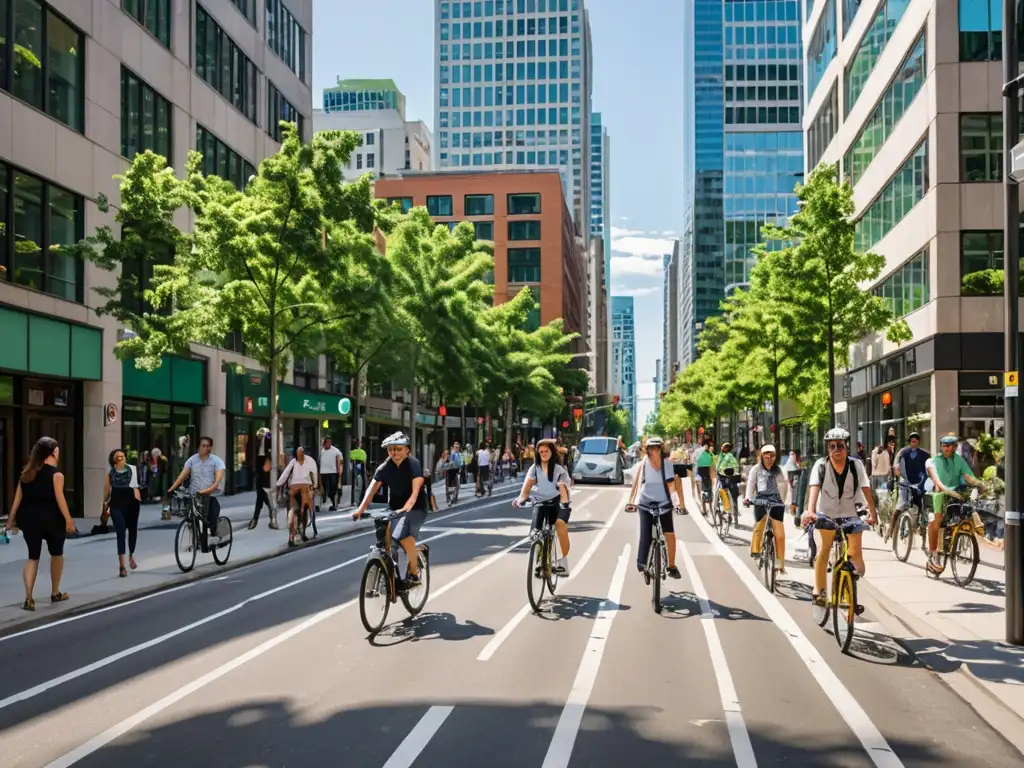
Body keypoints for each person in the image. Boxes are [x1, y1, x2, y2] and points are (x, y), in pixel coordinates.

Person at [801, 428, 877, 610]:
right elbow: (814, 489)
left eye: (840, 446)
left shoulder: (856, 465)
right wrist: (811, 511)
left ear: (846, 446)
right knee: (823, 551)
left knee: (857, 560)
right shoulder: (820, 465)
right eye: (832, 446)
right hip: (826, 514)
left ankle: (848, 582)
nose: (836, 450)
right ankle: (819, 591)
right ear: (828, 448)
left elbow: (866, 490)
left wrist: (873, 513)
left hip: (851, 514)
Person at [6, 437, 77, 610]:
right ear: (52, 454)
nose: (59, 455)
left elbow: (17, 500)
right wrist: (69, 520)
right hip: (52, 519)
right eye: (58, 452)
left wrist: (10, 521)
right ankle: (55, 593)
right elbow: (60, 500)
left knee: (33, 556)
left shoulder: (26, 473)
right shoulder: (56, 475)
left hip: (29, 519)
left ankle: (29, 598)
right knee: (57, 553)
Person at [352, 432, 428, 586]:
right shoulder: (385, 467)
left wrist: (407, 507)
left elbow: (415, 492)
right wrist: (360, 509)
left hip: (416, 508)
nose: (394, 453)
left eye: (399, 449)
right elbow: (371, 490)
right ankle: (393, 578)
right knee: (388, 541)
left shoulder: (413, 464)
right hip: (395, 508)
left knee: (403, 537)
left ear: (407, 450)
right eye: (390, 449)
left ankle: (414, 575)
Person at [923, 433, 985, 573]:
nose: (946, 448)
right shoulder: (932, 461)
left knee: (967, 511)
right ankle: (932, 556)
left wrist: (979, 484)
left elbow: (968, 476)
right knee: (935, 520)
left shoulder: (959, 460)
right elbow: (937, 481)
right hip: (937, 494)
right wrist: (946, 490)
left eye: (949, 446)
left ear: (955, 447)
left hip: (955, 493)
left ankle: (956, 539)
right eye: (944, 445)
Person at [626, 436, 684, 578]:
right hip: (645, 503)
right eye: (650, 449)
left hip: (664, 503)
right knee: (645, 534)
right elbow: (634, 481)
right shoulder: (642, 465)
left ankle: (671, 566)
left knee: (669, 534)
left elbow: (671, 484)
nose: (653, 451)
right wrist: (631, 502)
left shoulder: (667, 465)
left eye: (656, 448)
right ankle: (642, 563)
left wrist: (678, 504)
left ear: (660, 450)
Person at [513, 438, 573, 576]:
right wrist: (520, 499)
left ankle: (563, 562)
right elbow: (527, 486)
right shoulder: (534, 468)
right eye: (541, 452)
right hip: (540, 501)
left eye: (546, 451)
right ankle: (540, 558)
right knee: (535, 532)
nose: (544, 454)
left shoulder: (559, 469)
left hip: (557, 502)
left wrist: (564, 503)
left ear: (552, 452)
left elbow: (565, 489)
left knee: (559, 526)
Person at [166, 436, 226, 551]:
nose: (206, 448)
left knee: (211, 516)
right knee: (192, 516)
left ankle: (213, 535)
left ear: (211, 447)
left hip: (210, 494)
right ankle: (197, 539)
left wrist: (207, 490)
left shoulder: (216, 461)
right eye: (203, 446)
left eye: (208, 446)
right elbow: (181, 477)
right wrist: (171, 490)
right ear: (199, 447)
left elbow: (217, 481)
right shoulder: (192, 460)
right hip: (194, 494)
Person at [743, 443, 794, 574]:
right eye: (767, 457)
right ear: (761, 457)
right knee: (759, 526)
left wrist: (786, 502)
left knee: (780, 535)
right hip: (760, 499)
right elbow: (751, 484)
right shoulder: (755, 469)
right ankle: (756, 550)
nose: (770, 459)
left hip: (776, 501)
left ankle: (780, 564)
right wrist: (748, 497)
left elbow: (784, 486)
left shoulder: (779, 470)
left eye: (772, 457)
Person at [104, 449, 142, 577]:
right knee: (120, 532)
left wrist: (138, 497)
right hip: (116, 506)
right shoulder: (110, 474)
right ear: (113, 461)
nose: (121, 459)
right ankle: (122, 566)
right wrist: (104, 507)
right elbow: (106, 493)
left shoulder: (132, 469)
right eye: (118, 457)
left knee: (133, 530)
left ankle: (131, 554)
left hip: (132, 504)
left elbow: (136, 485)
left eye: (122, 456)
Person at [277, 446, 318, 547]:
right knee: (304, 512)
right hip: (304, 489)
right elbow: (314, 474)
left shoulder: (293, 462)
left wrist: (279, 484)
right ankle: (302, 533)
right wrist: (315, 487)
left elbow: (285, 473)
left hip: (295, 489)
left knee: (293, 511)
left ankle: (292, 537)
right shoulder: (310, 461)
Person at [716, 441, 741, 519]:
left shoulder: (729, 456)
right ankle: (729, 509)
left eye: (725, 447)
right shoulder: (721, 455)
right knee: (723, 492)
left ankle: (732, 509)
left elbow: (734, 466)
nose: (723, 448)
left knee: (725, 491)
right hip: (723, 476)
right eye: (723, 446)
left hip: (728, 476)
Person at [249, 455, 274, 530]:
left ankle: (255, 519)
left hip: (266, 484)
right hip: (262, 484)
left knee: (261, 499)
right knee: (262, 498)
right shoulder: (261, 471)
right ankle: (271, 515)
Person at [318, 437, 343, 511]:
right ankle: (328, 500)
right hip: (323, 472)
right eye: (327, 442)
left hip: (333, 472)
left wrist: (340, 469)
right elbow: (319, 461)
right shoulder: (321, 451)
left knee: (333, 488)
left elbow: (340, 460)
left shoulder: (336, 451)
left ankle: (334, 504)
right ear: (324, 443)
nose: (329, 444)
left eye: (330, 442)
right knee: (326, 488)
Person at [695, 436, 717, 509]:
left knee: (708, 488)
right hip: (703, 471)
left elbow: (713, 462)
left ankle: (708, 505)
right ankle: (705, 505)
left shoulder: (709, 453)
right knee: (705, 489)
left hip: (706, 471)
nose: (711, 446)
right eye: (710, 445)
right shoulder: (702, 452)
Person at [349, 439, 367, 505]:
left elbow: (351, 459)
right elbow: (364, 460)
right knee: (362, 485)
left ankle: (354, 501)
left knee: (355, 485)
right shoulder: (362, 452)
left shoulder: (351, 452)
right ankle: (361, 500)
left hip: (355, 469)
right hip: (361, 469)